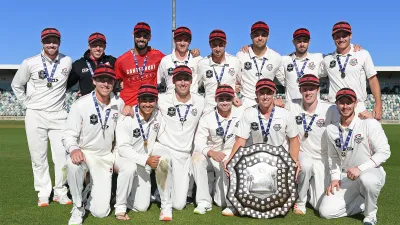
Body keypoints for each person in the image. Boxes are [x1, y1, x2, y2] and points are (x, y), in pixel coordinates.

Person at [11, 28, 72, 206]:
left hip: (59, 116)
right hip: (35, 115)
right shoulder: (29, 63)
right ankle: (43, 192)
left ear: (59, 42)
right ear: (42, 42)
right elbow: (16, 85)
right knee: (38, 157)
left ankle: (61, 191)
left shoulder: (67, 61)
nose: (51, 44)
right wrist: (27, 104)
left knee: (61, 157)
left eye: (54, 41)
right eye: (48, 41)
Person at [62, 65, 124, 224]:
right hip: (85, 152)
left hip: (105, 156)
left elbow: (122, 133)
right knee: (73, 164)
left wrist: (116, 156)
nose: (105, 84)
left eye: (109, 80)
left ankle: (88, 189)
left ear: (114, 82)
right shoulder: (81, 104)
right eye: (101, 79)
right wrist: (74, 149)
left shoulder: (119, 103)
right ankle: (77, 207)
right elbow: (69, 134)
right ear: (93, 81)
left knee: (101, 213)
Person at [319, 88, 390, 225]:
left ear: (355, 103)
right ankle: (364, 201)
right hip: (347, 176)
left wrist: (360, 168)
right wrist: (335, 178)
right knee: (325, 212)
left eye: (349, 102)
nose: (345, 106)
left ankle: (370, 214)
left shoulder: (368, 124)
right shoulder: (331, 130)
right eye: (341, 103)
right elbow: (333, 157)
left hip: (370, 172)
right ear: (337, 104)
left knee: (368, 180)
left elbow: (384, 152)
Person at [225, 78, 300, 184]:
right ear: (257, 94)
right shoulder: (249, 113)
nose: (265, 97)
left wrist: (294, 161)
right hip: (257, 158)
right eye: (262, 93)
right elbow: (240, 141)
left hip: (280, 159)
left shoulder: (285, 114)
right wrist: (231, 159)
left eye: (269, 93)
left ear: (274, 93)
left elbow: (294, 140)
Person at [154, 65, 205, 221]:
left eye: (186, 79)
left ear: (191, 81)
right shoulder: (162, 99)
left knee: (179, 204)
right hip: (164, 147)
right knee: (163, 161)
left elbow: (219, 110)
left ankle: (160, 191)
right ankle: (164, 206)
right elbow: (143, 105)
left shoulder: (200, 101)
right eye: (179, 79)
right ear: (173, 81)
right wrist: (128, 106)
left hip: (183, 153)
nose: (183, 83)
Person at [286, 74, 340, 214]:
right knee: (306, 165)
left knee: (319, 205)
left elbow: (345, 123)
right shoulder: (292, 106)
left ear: (317, 90)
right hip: (303, 153)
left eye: (311, 89)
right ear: (300, 90)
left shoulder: (331, 109)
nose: (308, 92)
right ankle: (300, 201)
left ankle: (308, 189)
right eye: (305, 89)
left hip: (323, 157)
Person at [113, 84, 165, 220]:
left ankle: (122, 192)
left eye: (151, 100)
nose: (147, 104)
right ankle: (120, 207)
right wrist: (145, 160)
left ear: (156, 101)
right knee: (129, 168)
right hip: (123, 158)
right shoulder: (127, 118)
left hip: (142, 162)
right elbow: (123, 148)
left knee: (142, 207)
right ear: (138, 100)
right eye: (144, 100)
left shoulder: (158, 114)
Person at [192, 85, 243, 216]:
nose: (224, 102)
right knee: (197, 159)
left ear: (233, 99)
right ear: (215, 99)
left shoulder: (241, 113)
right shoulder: (207, 117)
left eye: (228, 99)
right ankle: (203, 201)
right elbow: (198, 142)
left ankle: (226, 197)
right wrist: (211, 153)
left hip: (230, 154)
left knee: (221, 203)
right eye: (221, 99)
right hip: (212, 153)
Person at [319, 21, 382, 120]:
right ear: (333, 38)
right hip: (335, 107)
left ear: (350, 36)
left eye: (344, 36)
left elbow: (372, 79)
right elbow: (314, 74)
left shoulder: (362, 54)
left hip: (357, 107)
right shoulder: (327, 59)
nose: (341, 39)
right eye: (337, 36)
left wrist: (378, 104)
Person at [235, 21, 284, 108]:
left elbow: (286, 82)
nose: (260, 38)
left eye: (263, 35)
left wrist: (277, 98)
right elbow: (233, 78)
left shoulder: (276, 57)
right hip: (246, 103)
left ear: (268, 37)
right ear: (251, 36)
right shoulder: (241, 55)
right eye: (256, 35)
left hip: (266, 103)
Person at [196, 29, 241, 112]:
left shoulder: (235, 61)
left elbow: (244, 84)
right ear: (210, 44)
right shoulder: (202, 63)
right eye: (214, 45)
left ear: (226, 44)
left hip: (231, 111)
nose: (217, 49)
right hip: (209, 111)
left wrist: (237, 95)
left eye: (221, 45)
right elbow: (194, 88)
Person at [67, 32, 117, 96]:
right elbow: (66, 85)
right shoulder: (78, 64)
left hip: (109, 102)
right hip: (88, 104)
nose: (98, 48)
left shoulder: (112, 61)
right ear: (89, 47)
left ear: (105, 47)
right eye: (94, 45)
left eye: (101, 45)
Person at [157, 26, 203, 93]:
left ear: (190, 41)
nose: (182, 43)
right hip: (171, 102)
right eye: (179, 40)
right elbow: (161, 83)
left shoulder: (198, 60)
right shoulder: (165, 61)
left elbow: (203, 82)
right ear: (174, 40)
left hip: (192, 102)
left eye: (186, 40)